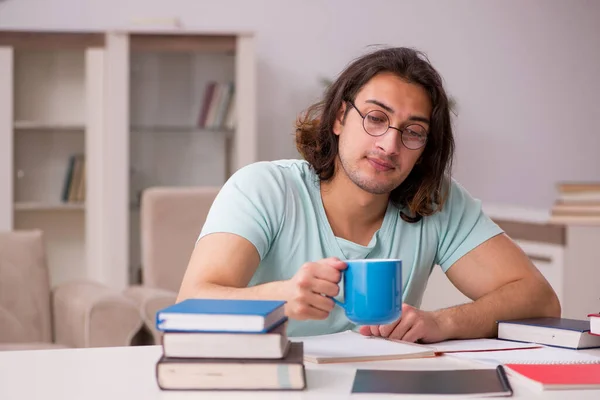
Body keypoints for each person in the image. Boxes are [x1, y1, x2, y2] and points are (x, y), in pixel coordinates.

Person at [177, 46, 560, 343]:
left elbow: (539, 299)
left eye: (412, 131)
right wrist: (281, 296)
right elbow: (191, 304)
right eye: (376, 118)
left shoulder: (435, 202)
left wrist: (442, 322)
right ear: (341, 117)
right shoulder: (264, 188)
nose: (390, 144)